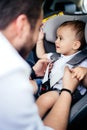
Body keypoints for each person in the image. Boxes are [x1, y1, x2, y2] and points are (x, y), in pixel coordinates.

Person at [0, 0, 81, 130]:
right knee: (43, 98)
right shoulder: (10, 73)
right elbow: (42, 55)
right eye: (38, 28)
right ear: (22, 24)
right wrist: (67, 90)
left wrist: (31, 73)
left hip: (57, 88)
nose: (55, 41)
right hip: (56, 87)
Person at [36, 20, 87, 118]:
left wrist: (85, 72)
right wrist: (39, 41)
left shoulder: (83, 60)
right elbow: (41, 55)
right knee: (29, 85)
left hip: (64, 91)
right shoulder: (57, 56)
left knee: (44, 100)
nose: (56, 41)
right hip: (47, 85)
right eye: (56, 38)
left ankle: (30, 124)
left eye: (60, 38)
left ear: (75, 45)